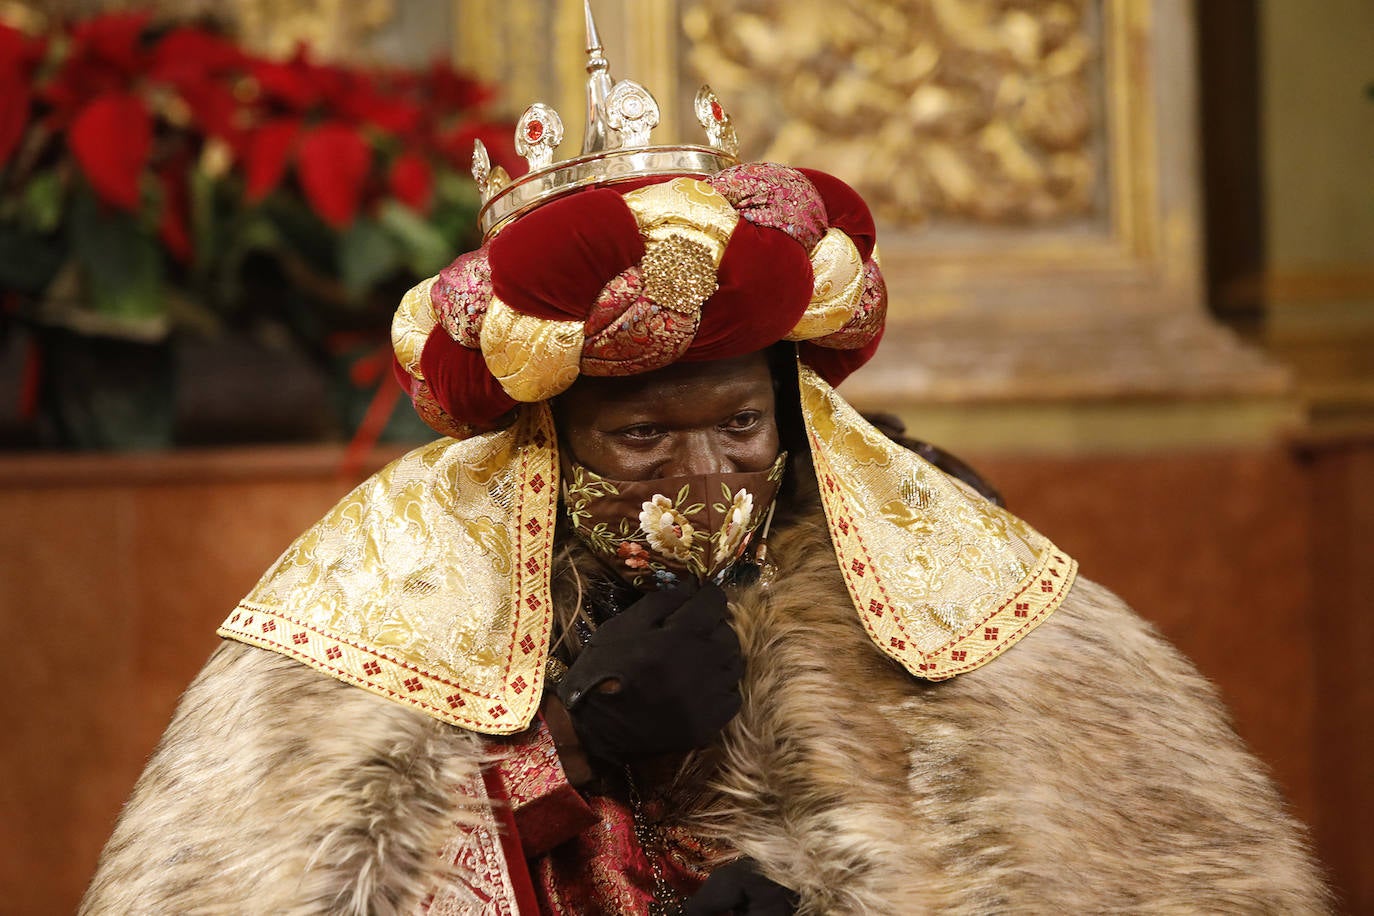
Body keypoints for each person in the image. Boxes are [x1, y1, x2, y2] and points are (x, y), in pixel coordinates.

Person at [82, 13, 1328, 915]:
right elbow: (293, 877)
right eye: (642, 437)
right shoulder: (386, 595)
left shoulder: (920, 569)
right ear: (545, 440)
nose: (706, 476)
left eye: (741, 425)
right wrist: (560, 749)